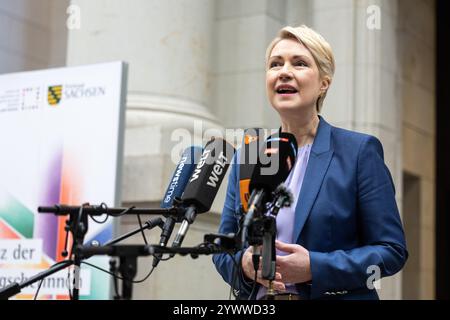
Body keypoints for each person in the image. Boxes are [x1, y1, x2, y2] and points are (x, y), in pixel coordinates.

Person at [212, 25, 408, 300]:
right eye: (275, 64)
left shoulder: (359, 152)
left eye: (300, 63)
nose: (284, 72)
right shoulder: (250, 156)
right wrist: (244, 264)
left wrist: (316, 267)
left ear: (323, 83)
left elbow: (391, 251)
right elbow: (224, 251)